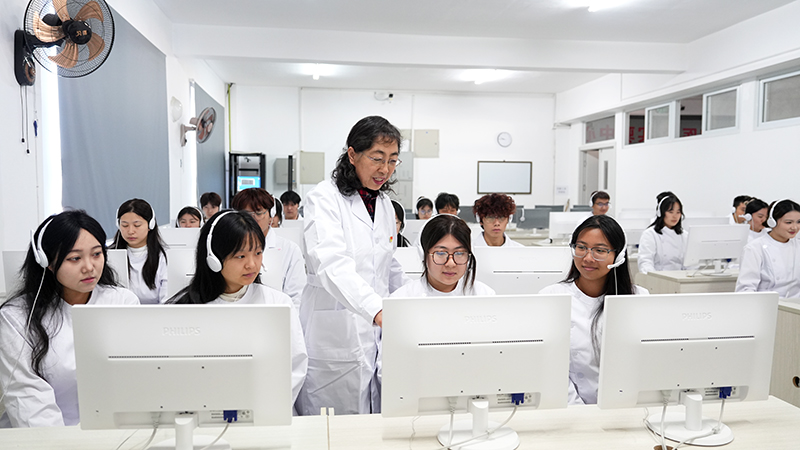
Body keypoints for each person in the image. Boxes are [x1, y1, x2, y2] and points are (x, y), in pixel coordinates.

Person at [297, 115, 408, 416]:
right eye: (377, 158)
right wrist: (376, 310)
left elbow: (387, 265)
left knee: (373, 423)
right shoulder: (323, 198)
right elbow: (330, 263)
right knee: (331, 428)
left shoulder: (383, 203)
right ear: (352, 154)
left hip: (375, 330)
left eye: (393, 160)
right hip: (335, 331)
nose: (385, 169)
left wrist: (416, 298)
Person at [0, 211, 139, 427]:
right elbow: (28, 399)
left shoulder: (122, 302)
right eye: (75, 258)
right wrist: (64, 441)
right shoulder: (16, 317)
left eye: (96, 254)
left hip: (110, 430)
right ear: (47, 262)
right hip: (42, 434)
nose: (89, 267)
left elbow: (133, 380)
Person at [169, 210, 307, 402]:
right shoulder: (184, 310)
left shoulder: (278, 303)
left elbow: (295, 367)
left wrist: (266, 405)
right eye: (241, 256)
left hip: (266, 407)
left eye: (258, 253)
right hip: (204, 408)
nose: (252, 264)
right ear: (213, 258)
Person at [539, 215, 646, 405]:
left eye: (600, 250)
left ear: (618, 256)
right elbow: (548, 366)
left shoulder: (638, 298)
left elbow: (642, 363)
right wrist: (579, 410)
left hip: (627, 406)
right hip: (568, 408)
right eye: (581, 247)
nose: (588, 258)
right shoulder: (551, 297)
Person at [231, 188, 305, 308]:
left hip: (277, 315)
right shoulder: (228, 247)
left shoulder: (290, 250)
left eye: (258, 213)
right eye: (246, 214)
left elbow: (297, 298)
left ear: (271, 216)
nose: (252, 219)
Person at [393, 214, 495, 296]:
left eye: (459, 253)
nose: (451, 264)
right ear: (423, 254)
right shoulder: (402, 298)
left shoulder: (484, 295)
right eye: (441, 253)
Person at [736, 199, 800, 298]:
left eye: (798, 222)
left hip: (795, 304)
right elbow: (745, 289)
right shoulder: (755, 248)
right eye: (788, 222)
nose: (795, 227)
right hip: (767, 304)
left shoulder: (798, 245)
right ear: (772, 222)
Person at [111, 199, 168, 304]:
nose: (130, 231)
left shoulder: (164, 257)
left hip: (155, 313)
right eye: (125, 225)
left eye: (137, 225)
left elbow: (167, 301)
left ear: (150, 225)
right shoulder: (109, 256)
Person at [638, 192, 687, 274]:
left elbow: (691, 264)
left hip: (680, 278)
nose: (675, 216)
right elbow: (645, 262)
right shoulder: (650, 234)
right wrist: (654, 277)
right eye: (671, 212)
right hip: (659, 277)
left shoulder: (684, 235)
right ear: (661, 213)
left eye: (678, 212)